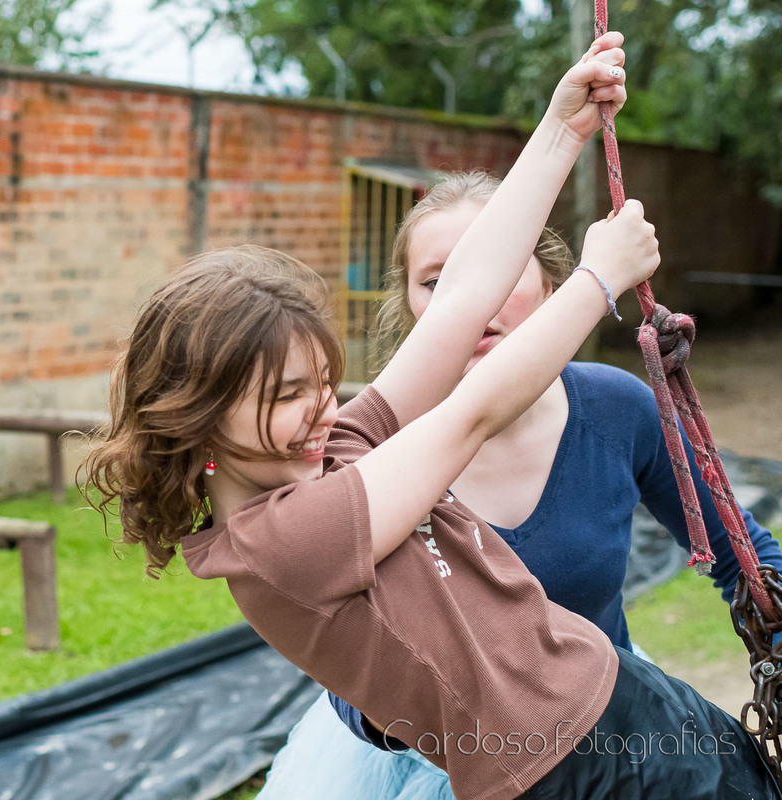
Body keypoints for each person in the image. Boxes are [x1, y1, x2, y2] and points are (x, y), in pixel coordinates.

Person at [83, 34, 780, 799]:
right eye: (286, 395)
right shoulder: (282, 544)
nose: (321, 409)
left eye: (323, 382)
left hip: (622, 700)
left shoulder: (333, 451)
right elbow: (473, 413)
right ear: (198, 418)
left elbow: (461, 300)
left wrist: (561, 130)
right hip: (568, 771)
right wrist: (596, 280)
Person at [254, 171, 782, 800]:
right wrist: (419, 718)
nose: (474, 303)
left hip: (607, 737)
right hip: (442, 766)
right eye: (437, 283)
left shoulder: (619, 409)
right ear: (413, 306)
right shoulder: (366, 451)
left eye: (498, 272)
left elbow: (745, 559)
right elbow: (344, 650)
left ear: (553, 287)